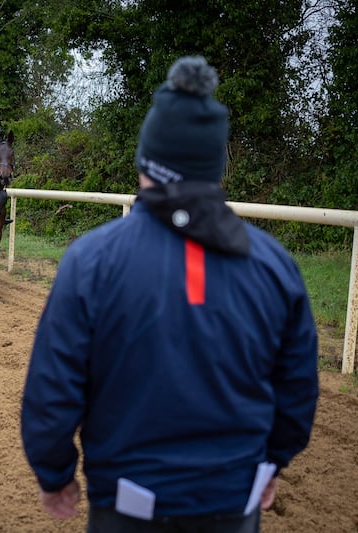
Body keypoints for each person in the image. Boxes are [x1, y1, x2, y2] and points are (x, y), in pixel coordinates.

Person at [20, 55, 319, 533]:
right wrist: (273, 463)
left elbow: (53, 389)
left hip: (126, 508)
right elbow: (298, 389)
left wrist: (54, 473)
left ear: (145, 158)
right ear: (214, 168)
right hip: (232, 504)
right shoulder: (275, 265)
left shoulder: (91, 260)